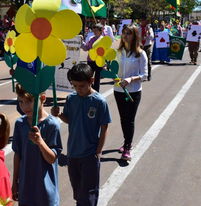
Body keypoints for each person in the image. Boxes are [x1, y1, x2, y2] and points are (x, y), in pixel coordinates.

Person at [51, 63, 111, 206]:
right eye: (75, 86)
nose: (79, 89)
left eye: (82, 86)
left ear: (91, 81)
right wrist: (59, 114)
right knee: (77, 188)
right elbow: (69, 119)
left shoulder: (99, 101)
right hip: (72, 153)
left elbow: (104, 128)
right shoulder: (71, 98)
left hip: (90, 153)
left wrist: (98, 152)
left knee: (89, 190)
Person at [12, 83, 62, 206]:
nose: (24, 106)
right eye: (21, 101)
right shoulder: (20, 123)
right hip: (26, 189)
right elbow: (17, 155)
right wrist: (14, 182)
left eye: (29, 101)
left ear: (43, 99)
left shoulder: (52, 125)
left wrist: (40, 142)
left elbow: (51, 159)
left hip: (45, 192)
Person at [114, 24, 147, 161]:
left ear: (134, 36)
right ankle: (127, 141)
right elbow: (114, 69)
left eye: (129, 33)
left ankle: (127, 147)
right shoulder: (118, 52)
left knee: (130, 119)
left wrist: (131, 79)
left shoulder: (140, 53)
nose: (125, 36)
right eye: (124, 33)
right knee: (123, 118)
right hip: (118, 90)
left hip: (134, 91)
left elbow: (145, 75)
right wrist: (110, 71)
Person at [81, 23, 104, 92]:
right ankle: (91, 90)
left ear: (100, 31)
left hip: (99, 62)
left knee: (97, 79)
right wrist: (81, 41)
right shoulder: (91, 39)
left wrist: (105, 65)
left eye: (96, 30)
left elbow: (105, 53)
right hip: (90, 61)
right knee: (89, 78)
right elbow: (85, 48)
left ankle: (96, 93)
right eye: (94, 30)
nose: (95, 32)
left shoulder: (103, 40)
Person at [138, 14, 154, 81]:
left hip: (147, 46)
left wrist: (148, 33)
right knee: (139, 61)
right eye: (140, 20)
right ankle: (140, 74)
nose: (141, 22)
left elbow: (152, 38)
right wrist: (140, 39)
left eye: (143, 20)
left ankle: (149, 74)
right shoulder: (138, 29)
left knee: (148, 61)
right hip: (141, 46)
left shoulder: (149, 28)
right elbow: (137, 38)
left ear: (145, 21)